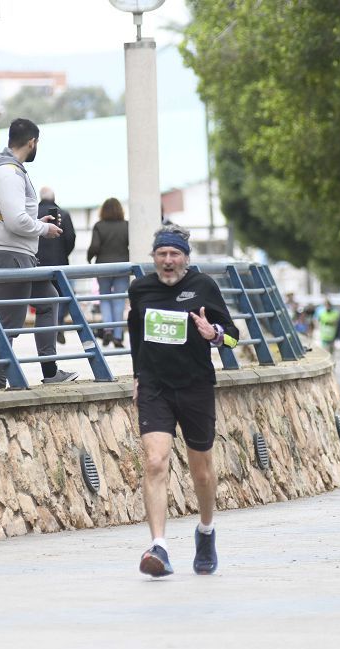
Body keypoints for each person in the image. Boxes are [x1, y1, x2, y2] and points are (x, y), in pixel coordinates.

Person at [128, 226, 239, 577]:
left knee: (202, 472)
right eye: (162, 254)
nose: (168, 260)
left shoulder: (204, 287)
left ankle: (205, 531)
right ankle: (158, 546)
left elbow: (234, 337)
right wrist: (137, 376)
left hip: (195, 386)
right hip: (155, 387)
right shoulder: (141, 289)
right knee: (155, 462)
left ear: (186, 259)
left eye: (175, 254)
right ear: (155, 258)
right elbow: (136, 336)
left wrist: (216, 335)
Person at [0, 117, 76, 387]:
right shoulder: (8, 173)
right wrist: (44, 230)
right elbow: (15, 220)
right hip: (7, 254)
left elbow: (18, 217)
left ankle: (50, 371)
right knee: (7, 323)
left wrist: (38, 224)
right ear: (32, 142)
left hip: (17, 252)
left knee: (49, 300)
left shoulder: (9, 170)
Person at [86, 197, 130, 348]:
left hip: (103, 266)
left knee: (105, 298)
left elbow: (95, 246)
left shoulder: (99, 226)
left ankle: (108, 329)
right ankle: (118, 336)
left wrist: (89, 257)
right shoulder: (126, 225)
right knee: (118, 300)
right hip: (123, 266)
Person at [35, 187, 76, 344]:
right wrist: (64, 253)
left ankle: (48, 328)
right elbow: (70, 238)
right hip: (59, 263)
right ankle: (58, 323)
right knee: (62, 295)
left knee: (42, 298)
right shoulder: (63, 214)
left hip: (37, 263)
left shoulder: (33, 214)